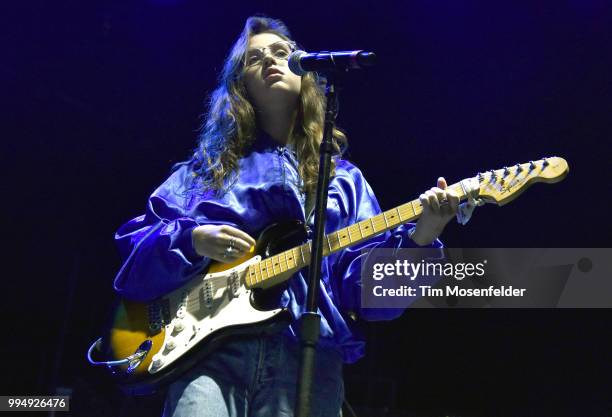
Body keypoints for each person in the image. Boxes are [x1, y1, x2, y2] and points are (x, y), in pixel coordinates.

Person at [113, 15, 459, 417]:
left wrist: (421, 238)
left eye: (282, 52)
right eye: (255, 58)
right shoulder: (203, 173)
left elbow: (366, 295)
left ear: (305, 75)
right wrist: (192, 240)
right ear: (240, 85)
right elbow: (134, 256)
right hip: (209, 355)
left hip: (307, 355)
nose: (271, 61)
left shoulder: (343, 180)